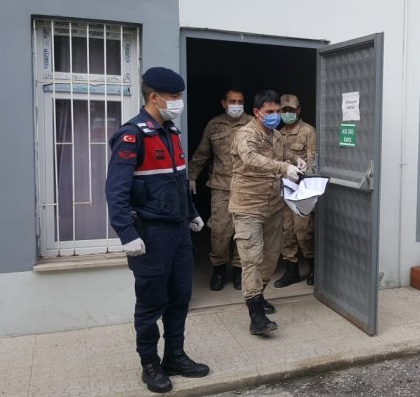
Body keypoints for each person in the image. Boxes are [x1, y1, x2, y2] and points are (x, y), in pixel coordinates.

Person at [105, 67, 210, 393]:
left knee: (180, 297)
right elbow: (115, 191)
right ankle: (149, 364)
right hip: (150, 235)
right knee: (151, 303)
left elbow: (179, 179)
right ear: (154, 97)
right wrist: (127, 234)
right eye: (174, 96)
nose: (178, 101)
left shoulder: (170, 132)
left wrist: (192, 213)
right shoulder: (132, 135)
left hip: (178, 232)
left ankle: (174, 356)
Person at [230, 89, 307, 335]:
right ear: (257, 112)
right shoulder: (246, 134)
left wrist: (297, 160)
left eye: (277, 111)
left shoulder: (275, 135)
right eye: (270, 112)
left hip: (273, 206)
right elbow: (251, 158)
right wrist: (284, 168)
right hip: (248, 206)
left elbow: (284, 154)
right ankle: (256, 316)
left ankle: (259, 295)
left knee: (271, 257)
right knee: (251, 259)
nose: (275, 116)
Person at [188, 87, 253, 291]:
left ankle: (238, 271)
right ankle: (218, 270)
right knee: (220, 231)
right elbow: (202, 154)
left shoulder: (253, 124)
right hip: (221, 188)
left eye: (240, 101)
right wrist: (191, 177)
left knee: (244, 231)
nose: (236, 105)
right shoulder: (214, 125)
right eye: (232, 101)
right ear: (224, 103)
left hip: (247, 187)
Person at [273, 93, 317, 288]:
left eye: (291, 110)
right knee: (286, 231)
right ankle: (291, 271)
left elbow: (313, 159)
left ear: (298, 110)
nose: (288, 113)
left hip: (301, 191)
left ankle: (315, 269)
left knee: (303, 231)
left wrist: (306, 180)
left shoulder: (308, 131)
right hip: (283, 190)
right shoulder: (277, 133)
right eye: (284, 110)